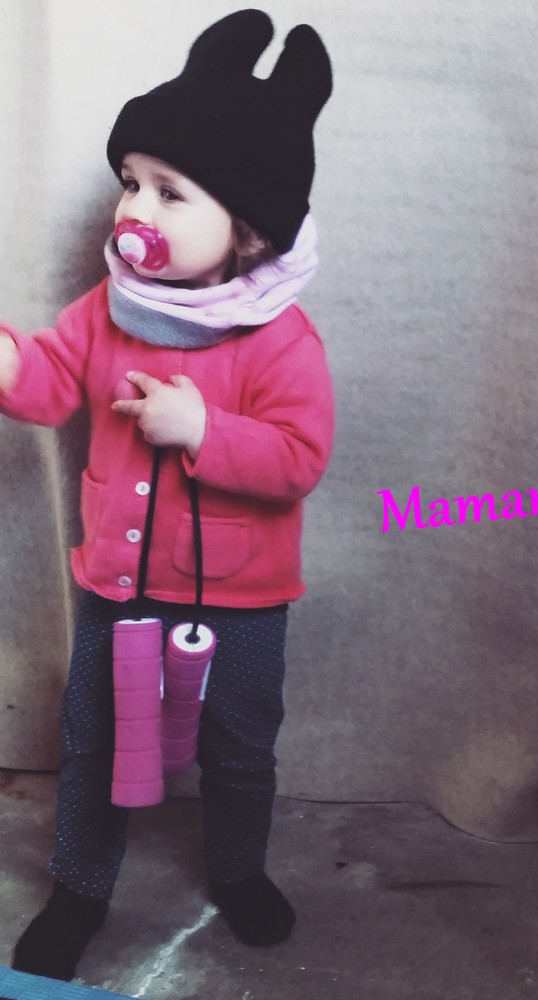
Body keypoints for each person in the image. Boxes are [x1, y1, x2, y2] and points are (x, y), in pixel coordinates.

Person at [1, 9, 334, 981]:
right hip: (117, 588)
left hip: (241, 602)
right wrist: (10, 362)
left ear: (248, 232)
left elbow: (298, 457)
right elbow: (50, 380)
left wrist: (204, 431)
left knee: (238, 745)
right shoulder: (107, 309)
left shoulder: (280, 340)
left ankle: (237, 870)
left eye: (170, 192)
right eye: (130, 182)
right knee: (94, 744)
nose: (134, 210)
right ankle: (79, 888)